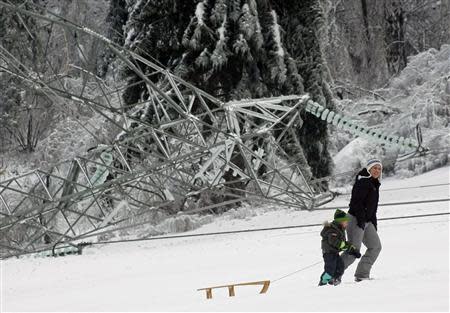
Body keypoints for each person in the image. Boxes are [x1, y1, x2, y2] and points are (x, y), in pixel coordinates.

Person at [341, 159, 383, 282]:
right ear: (369, 168)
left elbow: (373, 208)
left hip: (367, 221)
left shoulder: (374, 183)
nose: (377, 171)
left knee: (375, 247)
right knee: (354, 252)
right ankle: (333, 274)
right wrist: (361, 220)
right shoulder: (363, 182)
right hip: (356, 219)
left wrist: (373, 225)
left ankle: (362, 275)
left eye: (379, 169)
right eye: (374, 168)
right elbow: (355, 203)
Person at [319, 209, 361, 286]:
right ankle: (323, 283)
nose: (347, 223)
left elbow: (343, 243)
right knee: (329, 270)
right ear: (340, 221)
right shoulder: (332, 230)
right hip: (328, 253)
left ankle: (334, 280)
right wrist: (348, 248)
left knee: (340, 266)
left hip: (334, 253)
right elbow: (336, 242)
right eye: (346, 221)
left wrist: (352, 249)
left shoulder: (340, 229)